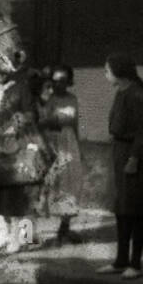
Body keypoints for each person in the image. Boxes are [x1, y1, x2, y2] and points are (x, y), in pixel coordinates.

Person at [96, 53, 143, 279]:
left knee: (135, 211)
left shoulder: (137, 96)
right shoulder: (121, 93)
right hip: (120, 154)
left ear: (119, 72)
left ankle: (135, 263)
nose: (106, 74)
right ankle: (121, 259)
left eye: (108, 70)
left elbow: (142, 134)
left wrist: (134, 160)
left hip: (132, 157)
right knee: (121, 210)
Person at [0, 66, 50, 254]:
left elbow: (32, 114)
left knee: (20, 191)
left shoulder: (19, 88)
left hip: (17, 144)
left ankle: (21, 237)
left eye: (4, 69)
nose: (0, 73)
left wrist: (17, 122)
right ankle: (3, 234)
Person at [38, 65, 85, 244]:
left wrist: (78, 148)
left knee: (70, 183)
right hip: (51, 143)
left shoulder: (73, 99)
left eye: (63, 81)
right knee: (49, 184)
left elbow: (74, 124)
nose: (59, 85)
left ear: (69, 82)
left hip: (69, 142)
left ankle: (64, 228)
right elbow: (41, 122)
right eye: (56, 81)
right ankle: (28, 236)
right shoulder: (48, 99)